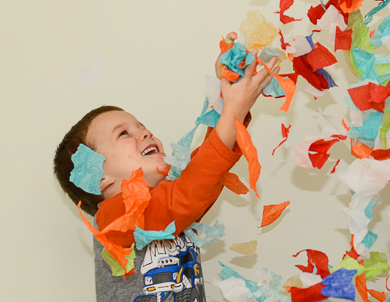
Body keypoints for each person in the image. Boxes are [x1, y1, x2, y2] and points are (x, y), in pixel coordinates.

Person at [53, 34, 276, 302]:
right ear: (97, 177)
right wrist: (233, 111)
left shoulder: (170, 204)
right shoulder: (112, 216)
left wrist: (226, 99)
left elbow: (203, 174)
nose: (145, 132)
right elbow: (190, 191)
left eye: (142, 126)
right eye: (123, 133)